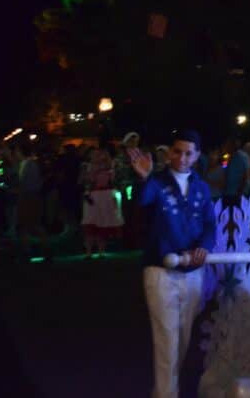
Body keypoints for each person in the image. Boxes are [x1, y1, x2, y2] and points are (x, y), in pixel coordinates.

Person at [131, 128, 215, 398]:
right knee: (167, 339)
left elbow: (211, 225)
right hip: (160, 271)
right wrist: (143, 178)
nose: (182, 158)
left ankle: (164, 390)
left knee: (182, 339)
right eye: (177, 151)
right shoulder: (156, 183)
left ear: (197, 155)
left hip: (192, 272)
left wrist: (204, 246)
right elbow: (141, 201)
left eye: (189, 153)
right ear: (169, 152)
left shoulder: (202, 187)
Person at [81, 148, 123, 257]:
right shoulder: (86, 167)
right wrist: (87, 192)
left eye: (99, 155)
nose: (97, 157)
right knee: (90, 221)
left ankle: (101, 250)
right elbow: (84, 182)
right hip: (93, 195)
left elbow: (114, 182)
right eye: (94, 155)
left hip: (105, 196)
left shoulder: (109, 168)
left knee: (102, 222)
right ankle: (88, 251)